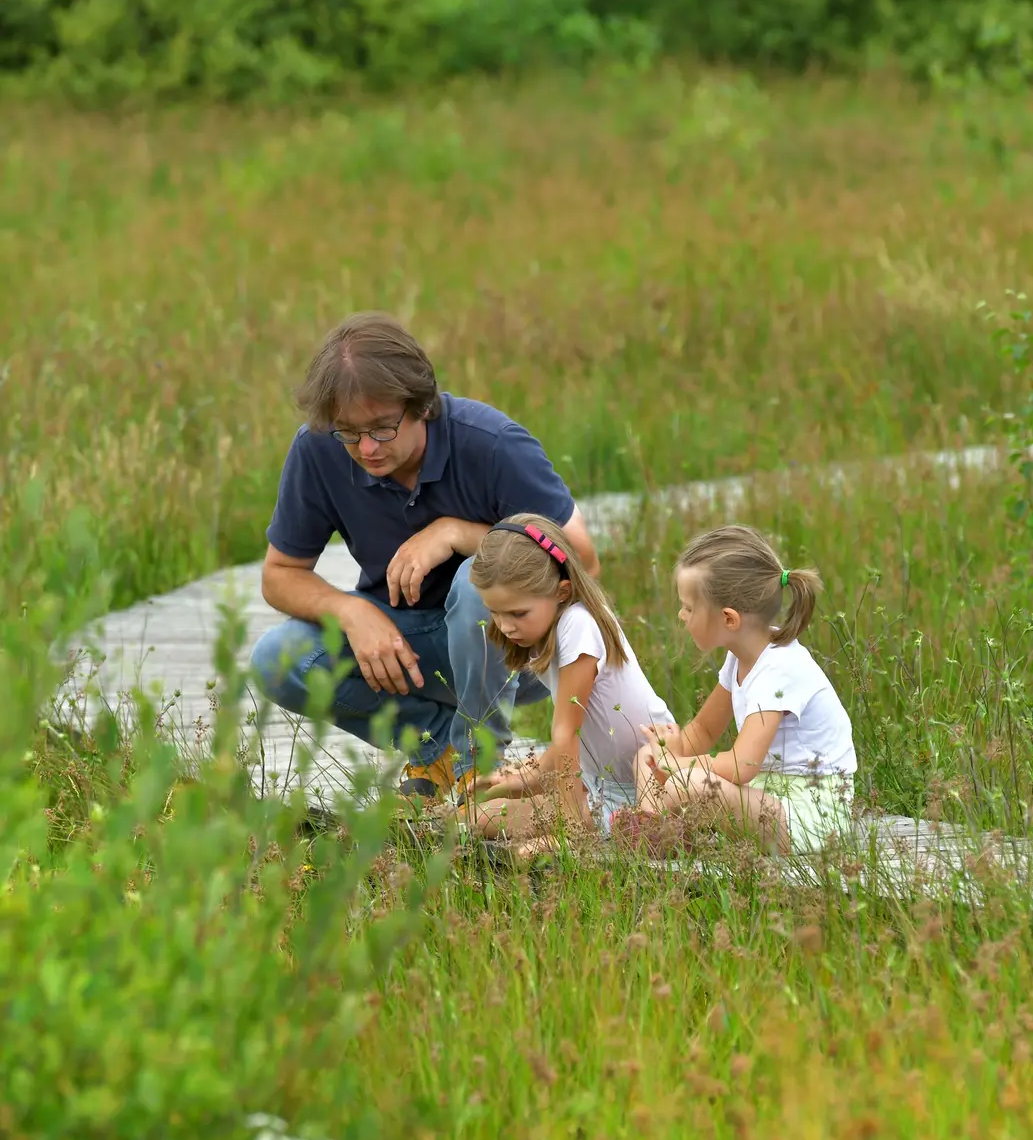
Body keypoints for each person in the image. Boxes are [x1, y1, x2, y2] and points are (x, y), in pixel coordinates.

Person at [248, 312, 600, 800]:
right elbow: (279, 575)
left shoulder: (492, 444)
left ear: (422, 405)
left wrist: (457, 533)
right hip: (410, 641)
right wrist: (352, 612)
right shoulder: (319, 449)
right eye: (349, 432)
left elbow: (581, 557)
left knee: (476, 582)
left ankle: (484, 769)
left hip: (518, 652)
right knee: (277, 659)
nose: (366, 448)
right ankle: (440, 752)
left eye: (383, 428)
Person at [634, 524, 856, 856]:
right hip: (765, 794)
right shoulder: (740, 658)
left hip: (809, 815)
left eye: (689, 608)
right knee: (646, 757)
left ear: (729, 619)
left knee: (692, 784)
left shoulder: (779, 670)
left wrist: (679, 766)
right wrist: (671, 747)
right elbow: (704, 730)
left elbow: (742, 766)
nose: (681, 615)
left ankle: (663, 835)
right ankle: (651, 831)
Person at [458, 511, 675, 848]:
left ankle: (593, 824)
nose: (505, 626)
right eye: (495, 612)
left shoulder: (577, 624)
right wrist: (525, 777)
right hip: (604, 789)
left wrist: (568, 827)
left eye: (517, 613)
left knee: (507, 831)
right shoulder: (547, 629)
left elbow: (565, 732)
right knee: (475, 818)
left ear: (562, 591)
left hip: (651, 786)